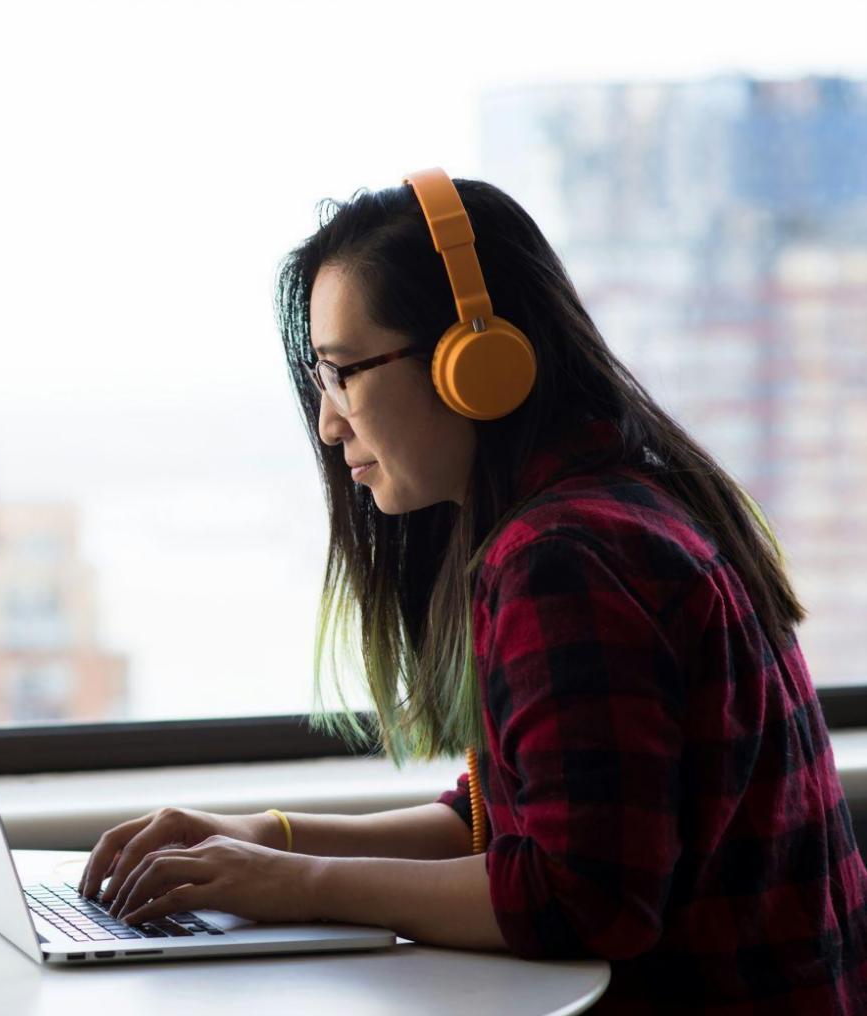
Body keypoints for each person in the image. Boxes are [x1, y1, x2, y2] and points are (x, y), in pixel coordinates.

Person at [77, 171, 867, 1012]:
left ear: (474, 361)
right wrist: (264, 838)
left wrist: (295, 882)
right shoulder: (618, 502)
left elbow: (581, 897)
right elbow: (503, 816)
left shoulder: (564, 556)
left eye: (346, 372)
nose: (328, 421)